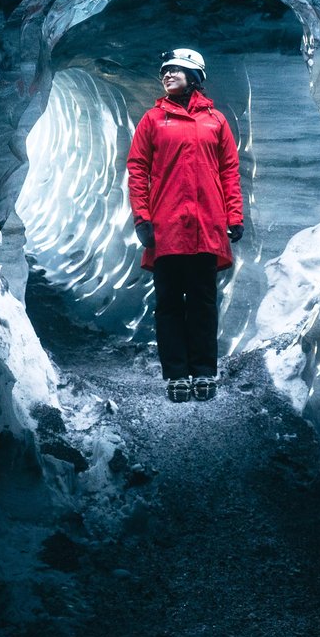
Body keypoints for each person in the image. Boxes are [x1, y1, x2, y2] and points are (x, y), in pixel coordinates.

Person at [125, 47, 244, 403]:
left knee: (204, 303)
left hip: (207, 228)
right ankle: (176, 374)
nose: (167, 75)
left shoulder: (216, 121)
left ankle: (204, 371)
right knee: (170, 304)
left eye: (175, 70)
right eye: (164, 71)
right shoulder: (152, 120)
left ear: (194, 77)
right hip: (167, 228)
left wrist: (235, 216)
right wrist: (142, 218)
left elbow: (229, 172)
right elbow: (137, 170)